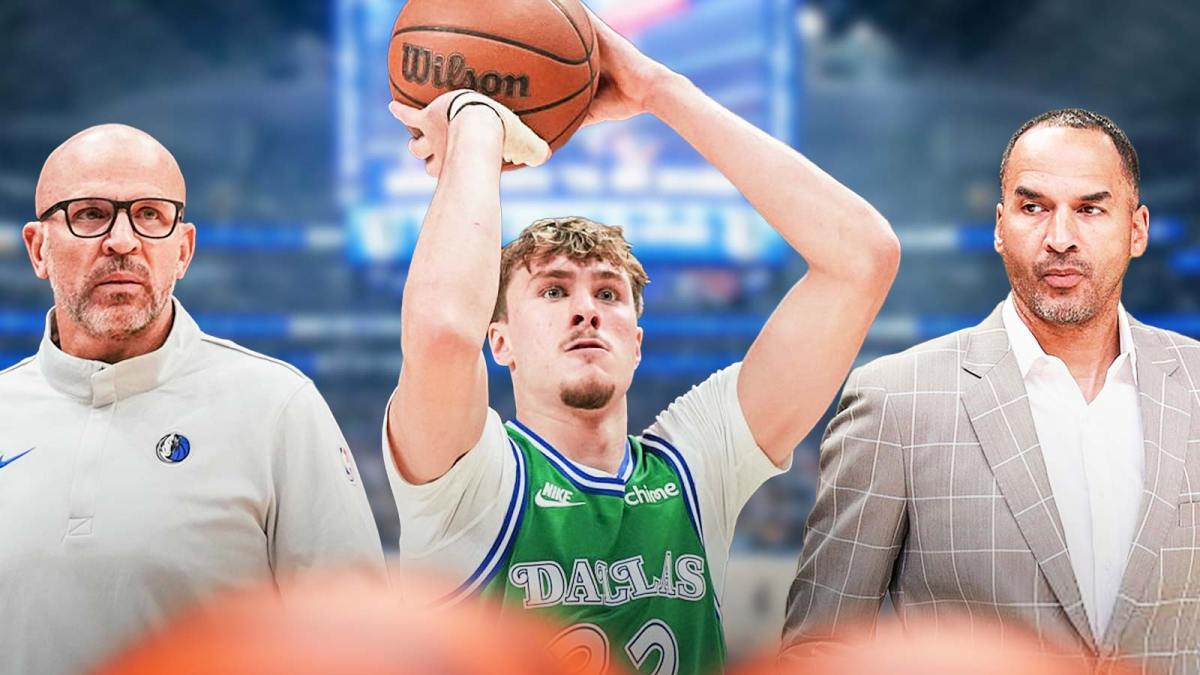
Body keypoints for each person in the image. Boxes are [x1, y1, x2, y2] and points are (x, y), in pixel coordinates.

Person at [383, 11, 899, 675]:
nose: (585, 311)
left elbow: (863, 257)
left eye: (607, 294)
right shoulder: (467, 479)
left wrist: (658, 88)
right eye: (552, 291)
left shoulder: (694, 464)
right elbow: (442, 335)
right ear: (501, 340)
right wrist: (477, 124)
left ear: (637, 338)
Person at [782, 109, 1200, 674]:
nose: (1060, 238)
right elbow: (819, 650)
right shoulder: (897, 403)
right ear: (1001, 227)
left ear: (1137, 229)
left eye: (1090, 209)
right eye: (1034, 208)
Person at [0, 124, 387, 675]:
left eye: (150, 215)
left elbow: (360, 644)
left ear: (182, 250)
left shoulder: (277, 407)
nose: (122, 241)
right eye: (89, 214)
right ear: (38, 249)